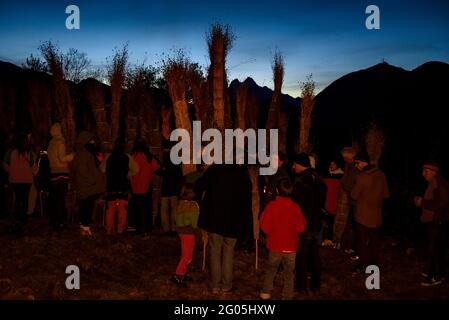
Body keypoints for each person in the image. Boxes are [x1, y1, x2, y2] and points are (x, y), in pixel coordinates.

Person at [195, 164, 252, 293]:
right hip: (233, 221)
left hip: (214, 219)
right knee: (228, 252)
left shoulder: (214, 170)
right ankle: (226, 285)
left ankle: (215, 285)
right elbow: (247, 198)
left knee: (214, 251)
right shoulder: (242, 173)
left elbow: (198, 186)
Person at [259, 179, 306, 300]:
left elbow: (264, 225)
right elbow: (301, 227)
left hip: (275, 245)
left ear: (276, 190)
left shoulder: (271, 206)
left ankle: (266, 291)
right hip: (291, 247)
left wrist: (272, 232)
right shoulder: (295, 207)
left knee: (271, 269)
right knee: (289, 273)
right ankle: (287, 295)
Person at [291, 153, 327, 294]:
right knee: (313, 254)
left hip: (304, 224)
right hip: (316, 223)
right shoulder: (317, 179)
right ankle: (316, 284)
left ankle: (301, 286)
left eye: (294, 164)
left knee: (302, 256)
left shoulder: (301, 183)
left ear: (300, 165)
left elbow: (297, 206)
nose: (293, 167)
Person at [351, 149, 389, 274]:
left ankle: (362, 266)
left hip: (363, 216)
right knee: (374, 243)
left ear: (363, 163)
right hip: (377, 217)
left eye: (357, 163)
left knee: (362, 243)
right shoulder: (381, 174)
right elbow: (386, 194)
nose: (356, 166)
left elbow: (354, 195)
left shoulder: (361, 177)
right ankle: (373, 266)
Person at [414, 161, 449, 286]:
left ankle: (435, 276)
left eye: (425, 171)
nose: (423, 174)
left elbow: (441, 202)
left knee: (435, 249)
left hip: (438, 221)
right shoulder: (434, 182)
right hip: (434, 220)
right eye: (423, 171)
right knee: (437, 248)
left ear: (433, 172)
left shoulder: (440, 183)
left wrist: (422, 202)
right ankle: (439, 272)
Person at [100, 137, 139, 235]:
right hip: (123, 187)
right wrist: (128, 173)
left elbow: (102, 169)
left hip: (111, 187)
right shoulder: (127, 157)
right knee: (122, 210)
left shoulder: (109, 157)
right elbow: (136, 169)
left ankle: (109, 229)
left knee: (110, 209)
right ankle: (120, 230)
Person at [71, 131, 105, 236]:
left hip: (87, 185)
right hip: (87, 186)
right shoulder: (83, 153)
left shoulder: (85, 152)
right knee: (86, 206)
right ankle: (85, 227)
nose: (93, 142)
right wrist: (92, 180)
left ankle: (84, 227)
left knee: (85, 205)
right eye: (91, 140)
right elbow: (82, 170)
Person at [3, 132, 37, 230]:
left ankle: (17, 217)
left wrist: (11, 171)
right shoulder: (30, 153)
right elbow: (34, 167)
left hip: (14, 179)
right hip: (27, 180)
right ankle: (24, 218)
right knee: (25, 198)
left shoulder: (10, 152)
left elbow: (5, 165)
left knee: (17, 198)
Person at [129, 138, 160, 235]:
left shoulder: (132, 156)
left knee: (137, 209)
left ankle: (139, 229)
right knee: (147, 208)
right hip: (147, 186)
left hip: (134, 187)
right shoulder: (149, 157)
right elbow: (158, 169)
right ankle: (147, 229)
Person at [171, 183, 200, 287]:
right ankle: (178, 274)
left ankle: (184, 273)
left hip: (181, 232)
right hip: (189, 233)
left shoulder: (179, 205)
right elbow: (195, 223)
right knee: (187, 256)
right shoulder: (193, 206)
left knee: (186, 252)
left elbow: (175, 219)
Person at [47, 123, 74, 231]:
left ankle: (53, 221)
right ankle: (60, 222)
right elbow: (62, 158)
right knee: (61, 199)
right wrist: (72, 156)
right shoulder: (60, 143)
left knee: (54, 198)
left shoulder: (51, 143)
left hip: (53, 172)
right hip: (62, 173)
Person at [333, 147, 359, 256]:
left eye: (345, 157)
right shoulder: (348, 165)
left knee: (352, 224)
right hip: (348, 198)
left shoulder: (353, 167)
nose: (343, 159)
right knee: (344, 223)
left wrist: (343, 184)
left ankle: (352, 246)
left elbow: (349, 183)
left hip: (352, 199)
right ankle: (340, 242)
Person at [160, 141, 183, 235]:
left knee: (165, 210)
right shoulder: (177, 161)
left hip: (166, 188)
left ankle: (167, 228)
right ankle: (173, 228)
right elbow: (180, 175)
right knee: (173, 210)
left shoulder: (165, 160)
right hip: (173, 189)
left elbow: (161, 171)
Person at [321, 160, 343, 246]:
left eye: (334, 164)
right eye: (330, 164)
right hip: (326, 202)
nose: (331, 165)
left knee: (331, 223)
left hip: (334, 203)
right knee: (325, 222)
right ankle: (325, 239)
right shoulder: (326, 175)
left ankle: (330, 239)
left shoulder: (341, 175)